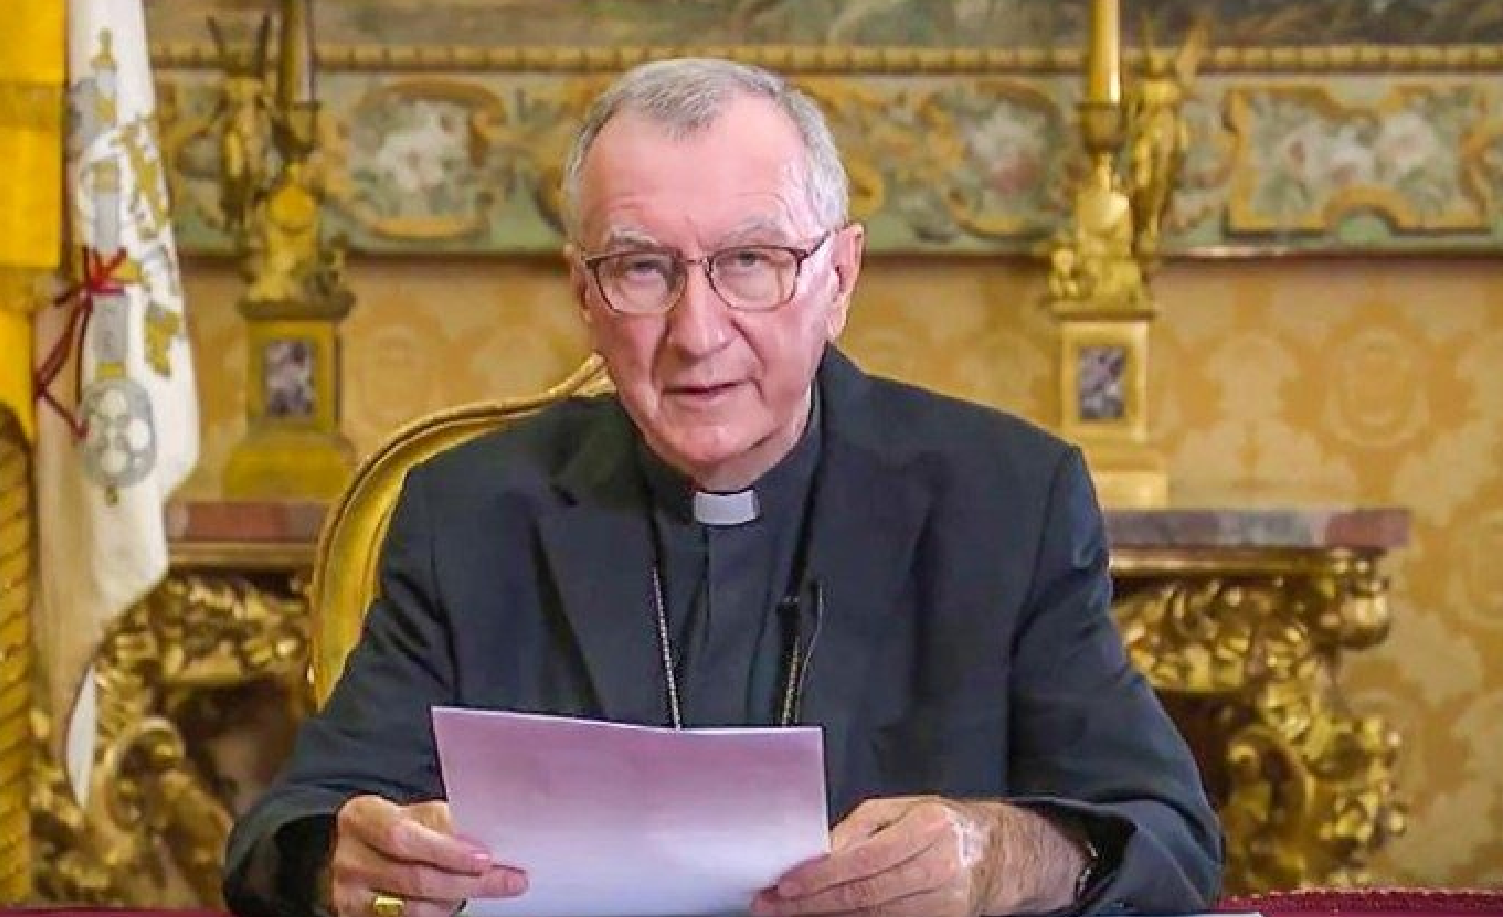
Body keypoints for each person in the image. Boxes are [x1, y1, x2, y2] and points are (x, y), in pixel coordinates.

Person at [223, 57, 1222, 917]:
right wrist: (344, 859)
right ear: (583, 293)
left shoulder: (1005, 503)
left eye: (751, 261)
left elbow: (1167, 831)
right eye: (641, 268)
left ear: (839, 277)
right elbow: (289, 827)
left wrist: (998, 853)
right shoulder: (469, 515)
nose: (697, 333)